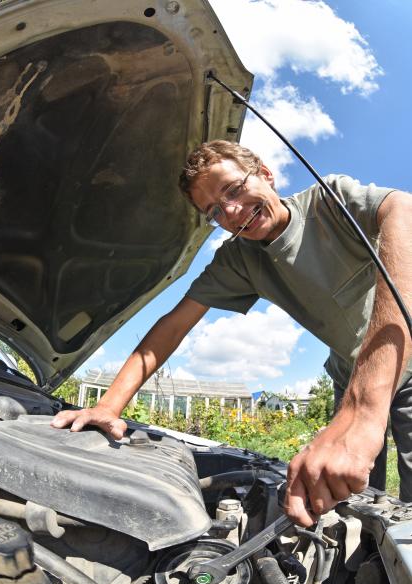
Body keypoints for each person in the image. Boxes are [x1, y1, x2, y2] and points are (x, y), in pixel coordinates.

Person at [51, 140, 412, 527]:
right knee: (351, 503)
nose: (233, 211)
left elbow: (401, 207)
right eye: (215, 211)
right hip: (349, 376)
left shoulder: (331, 201)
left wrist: (365, 409)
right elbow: (173, 325)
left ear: (266, 174)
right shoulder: (238, 260)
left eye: (234, 189)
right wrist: (108, 407)